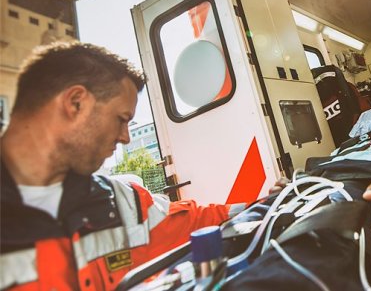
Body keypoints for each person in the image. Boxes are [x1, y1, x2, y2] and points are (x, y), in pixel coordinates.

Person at [0, 42, 236, 290]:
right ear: (76, 103)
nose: (126, 137)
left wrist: (267, 205)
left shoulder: (122, 202)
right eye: (122, 119)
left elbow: (196, 222)